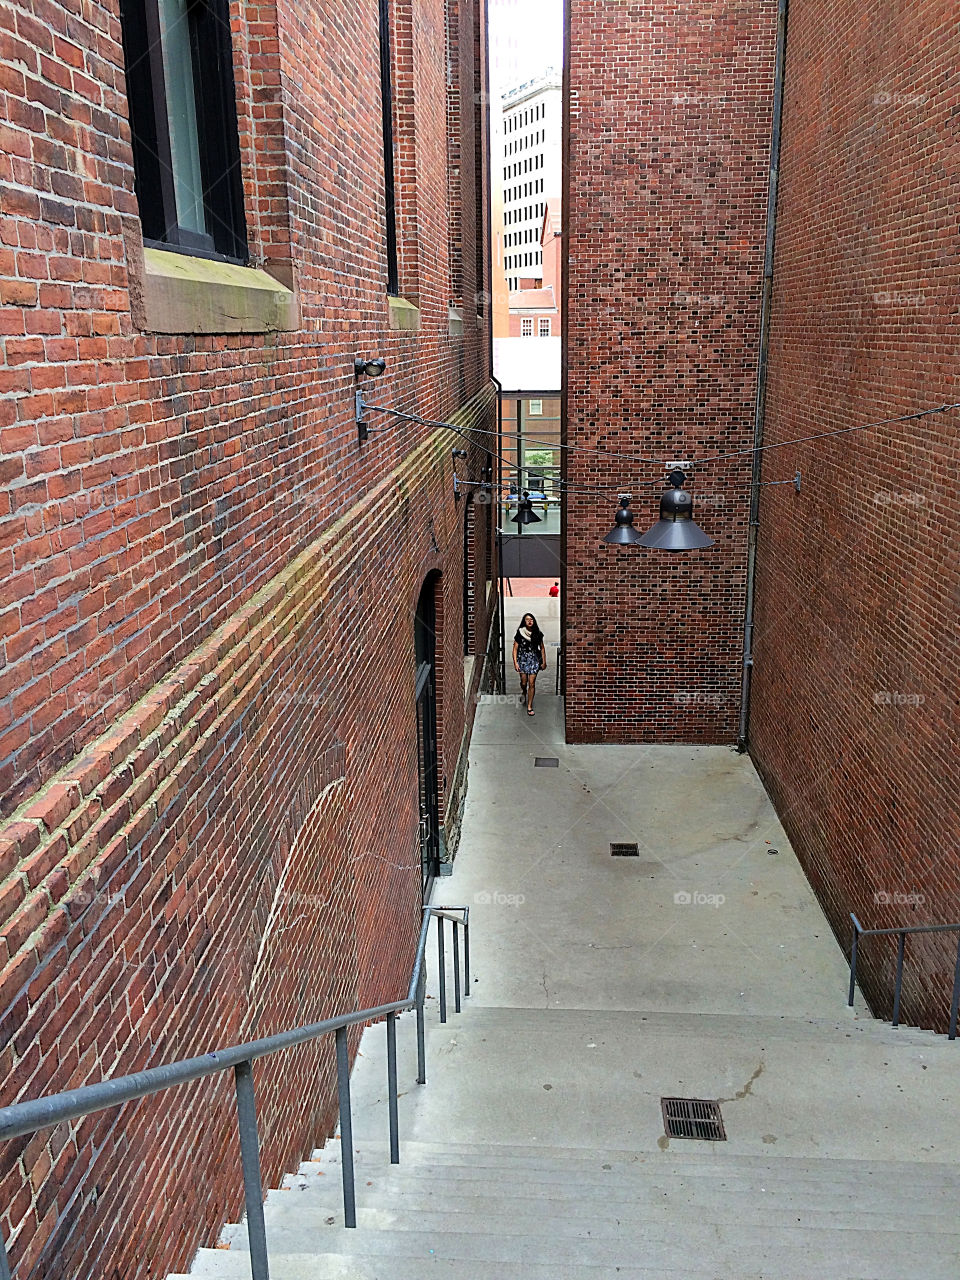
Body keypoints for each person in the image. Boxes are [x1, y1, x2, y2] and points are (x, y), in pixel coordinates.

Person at [513, 612, 547, 716]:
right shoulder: (520, 633)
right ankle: (524, 691)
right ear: (524, 621)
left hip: (534, 660)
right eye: (527, 619)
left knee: (532, 683)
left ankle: (529, 706)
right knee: (524, 682)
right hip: (522, 659)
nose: (529, 621)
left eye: (531, 619)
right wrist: (515, 663)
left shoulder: (538, 633)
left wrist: (544, 661)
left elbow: (542, 648)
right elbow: (515, 649)